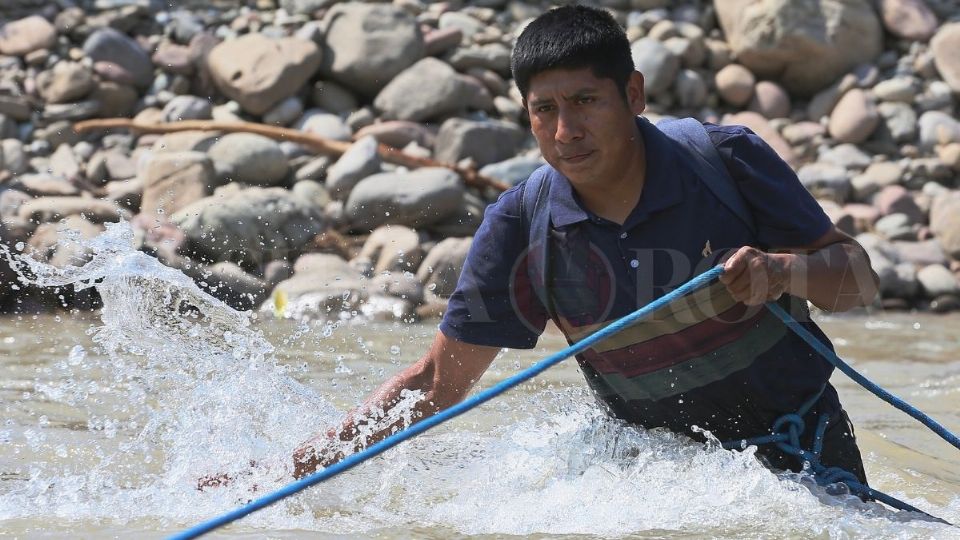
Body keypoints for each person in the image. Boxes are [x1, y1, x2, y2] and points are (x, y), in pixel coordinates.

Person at [292, 5, 880, 487]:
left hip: (810, 456)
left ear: (634, 93)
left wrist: (781, 271)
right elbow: (435, 384)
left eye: (585, 102)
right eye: (544, 110)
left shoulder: (723, 161)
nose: (565, 131)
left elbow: (859, 280)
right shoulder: (522, 226)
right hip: (660, 484)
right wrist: (291, 473)